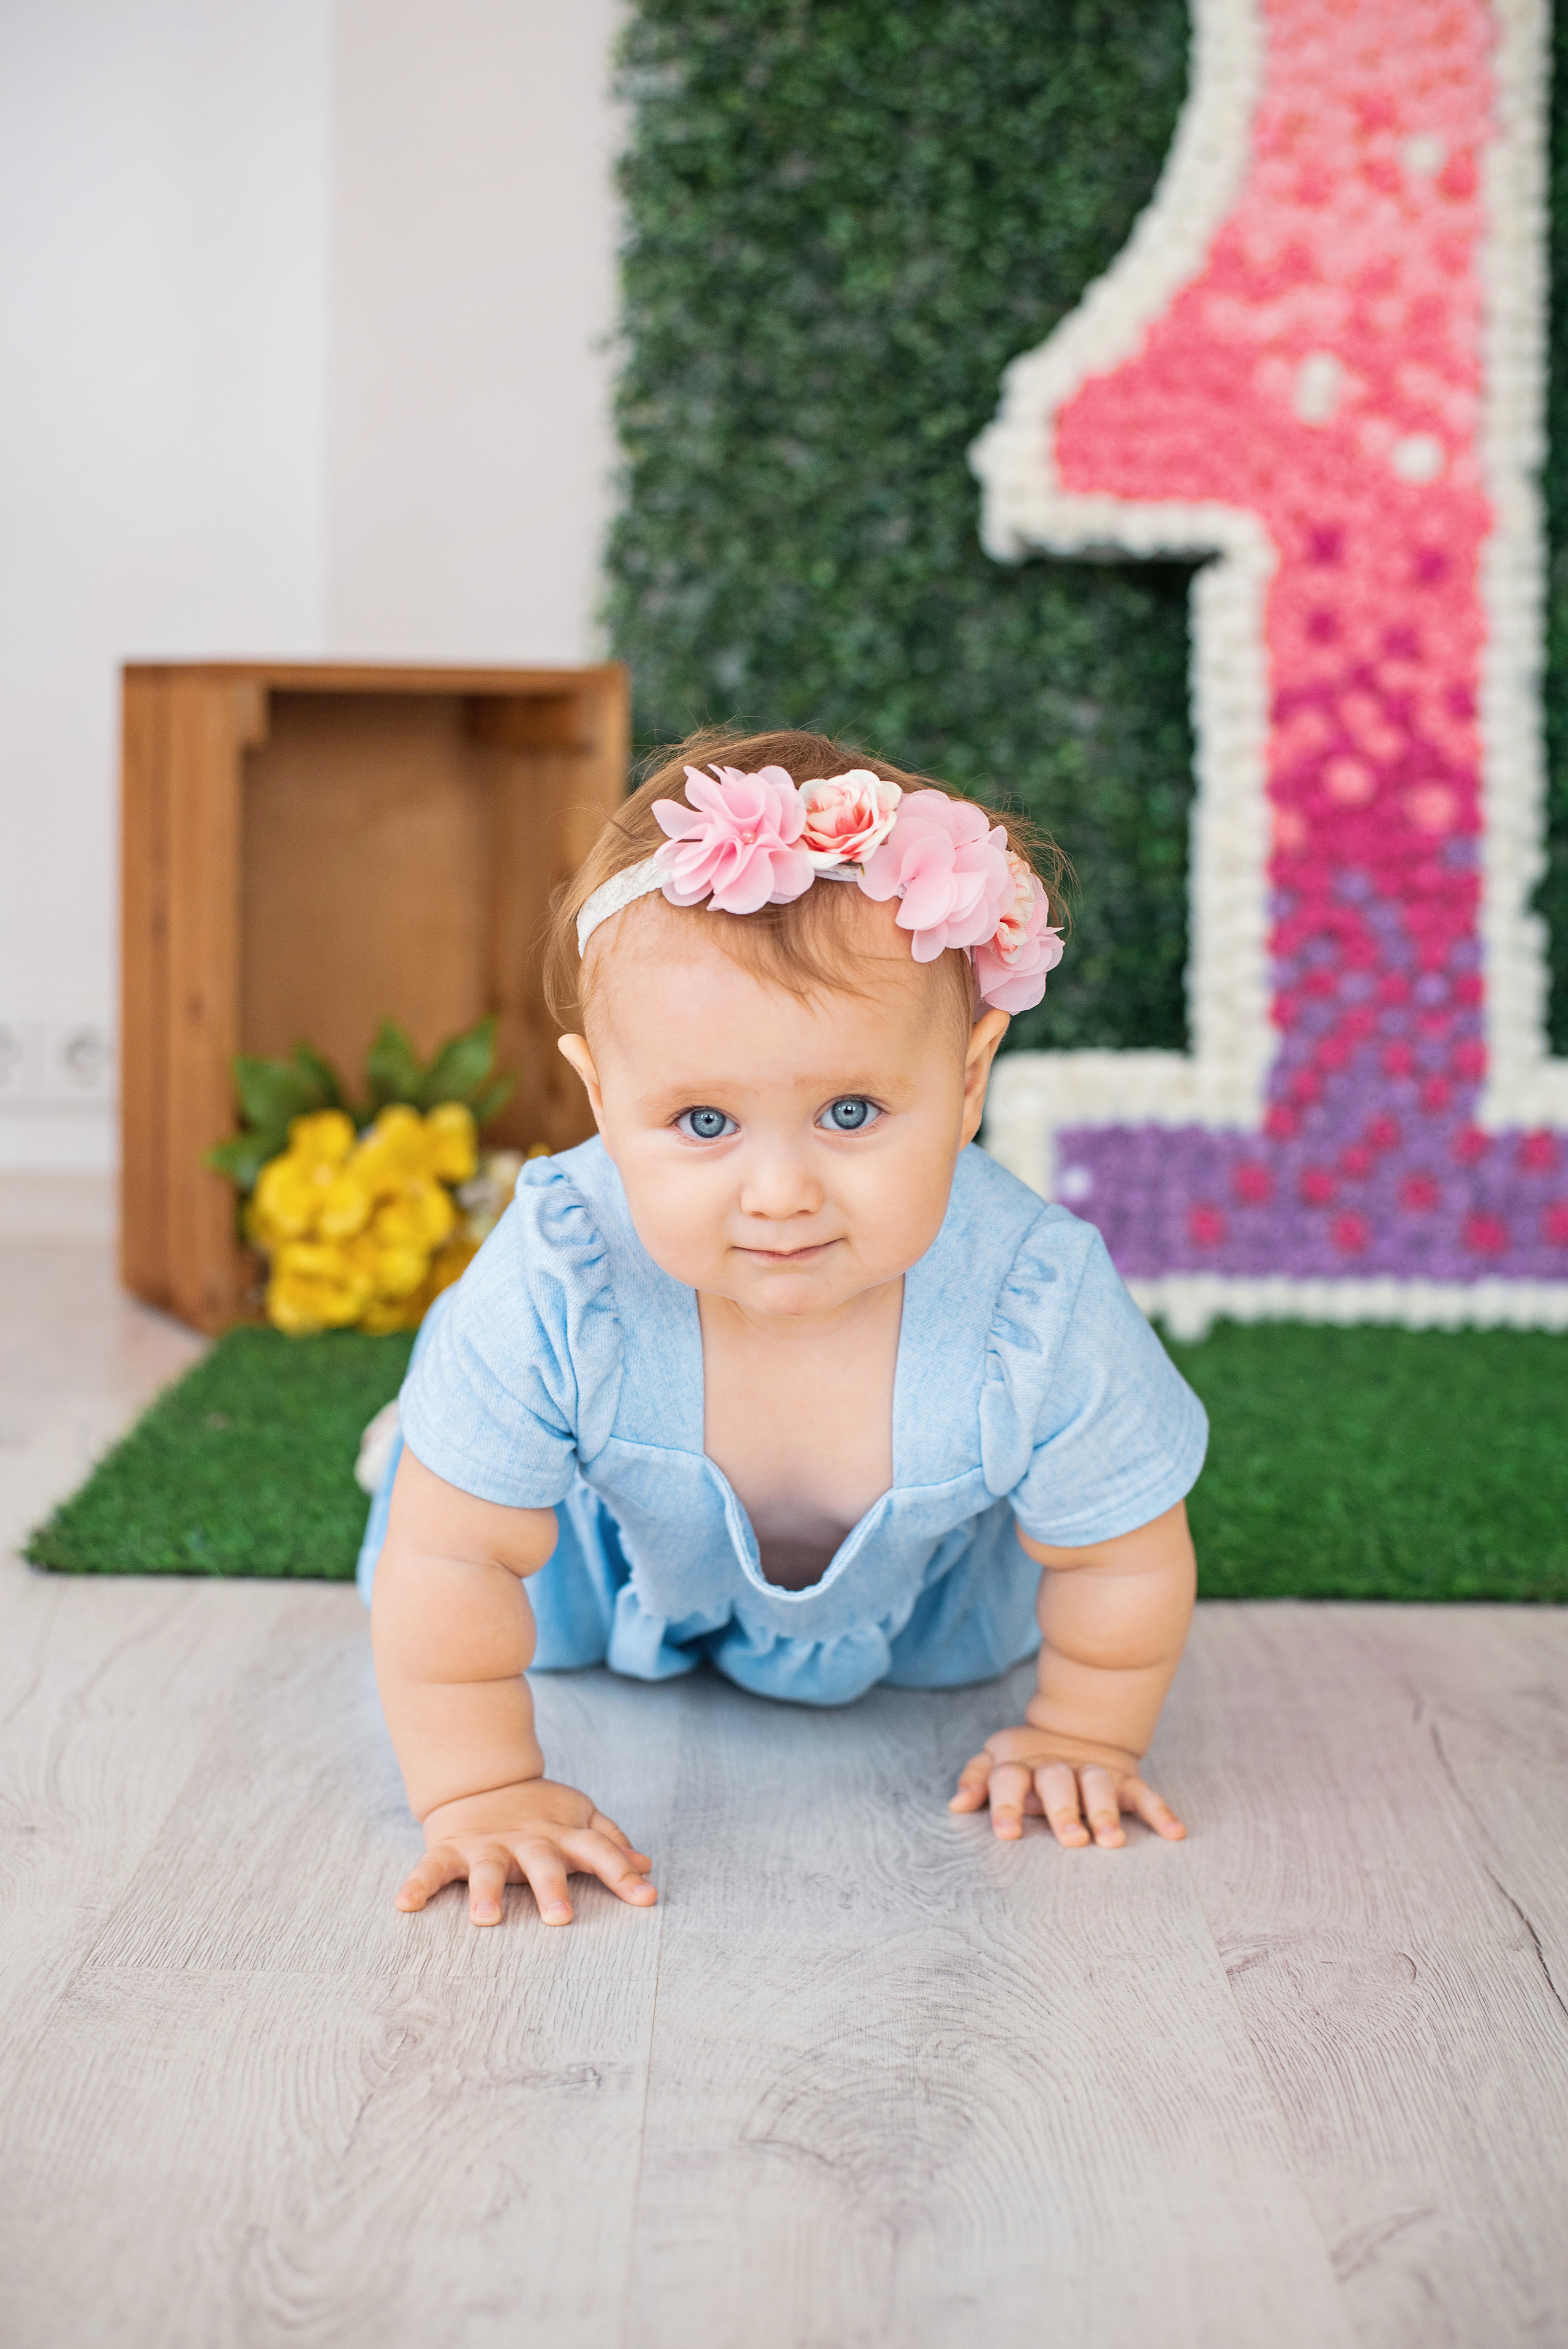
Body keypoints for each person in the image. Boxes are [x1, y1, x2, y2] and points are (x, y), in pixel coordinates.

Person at [361, 728, 1207, 1928]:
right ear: (600, 1097)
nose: (778, 1193)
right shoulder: (561, 1273)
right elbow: (454, 1567)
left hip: (915, 1603)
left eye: (850, 1111)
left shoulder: (1032, 1295)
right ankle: (457, 1427)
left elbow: (1120, 1550)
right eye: (701, 1122)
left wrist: (1080, 1731)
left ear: (968, 1082)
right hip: (600, 1571)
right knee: (454, 1508)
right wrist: (483, 1787)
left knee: (1008, 1616)